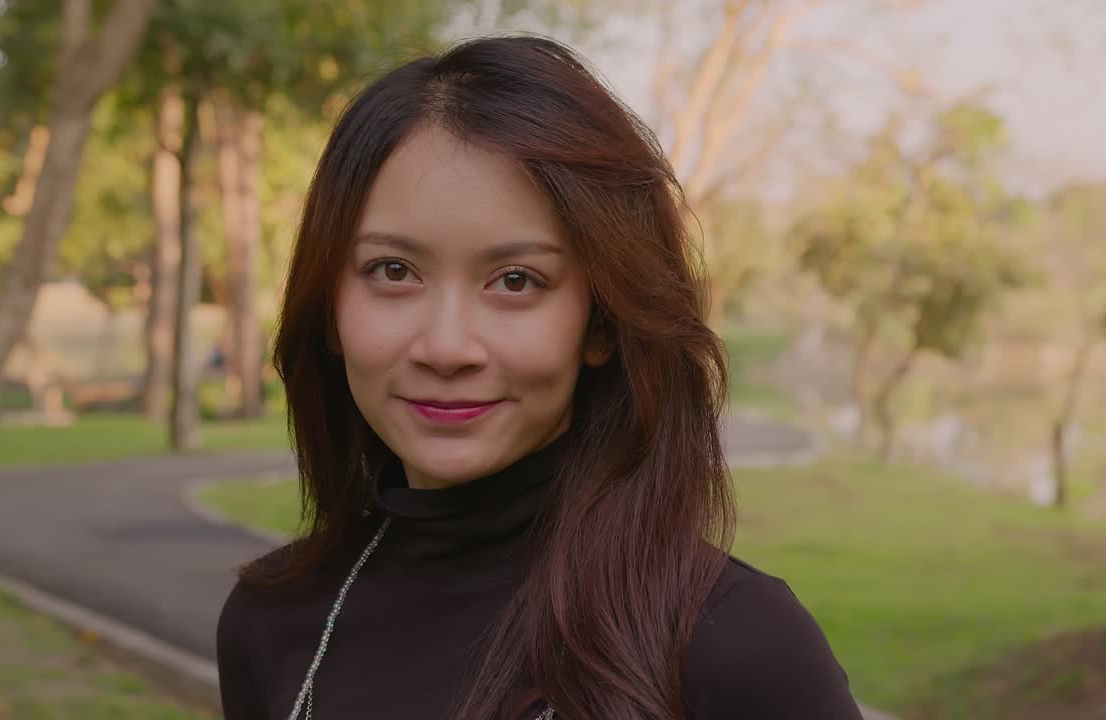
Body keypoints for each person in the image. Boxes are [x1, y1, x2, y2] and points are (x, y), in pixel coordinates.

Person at [216, 34, 863, 720]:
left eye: (516, 280)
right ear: (330, 308)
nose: (446, 348)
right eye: (393, 271)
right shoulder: (271, 623)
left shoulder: (736, 647)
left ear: (601, 324)